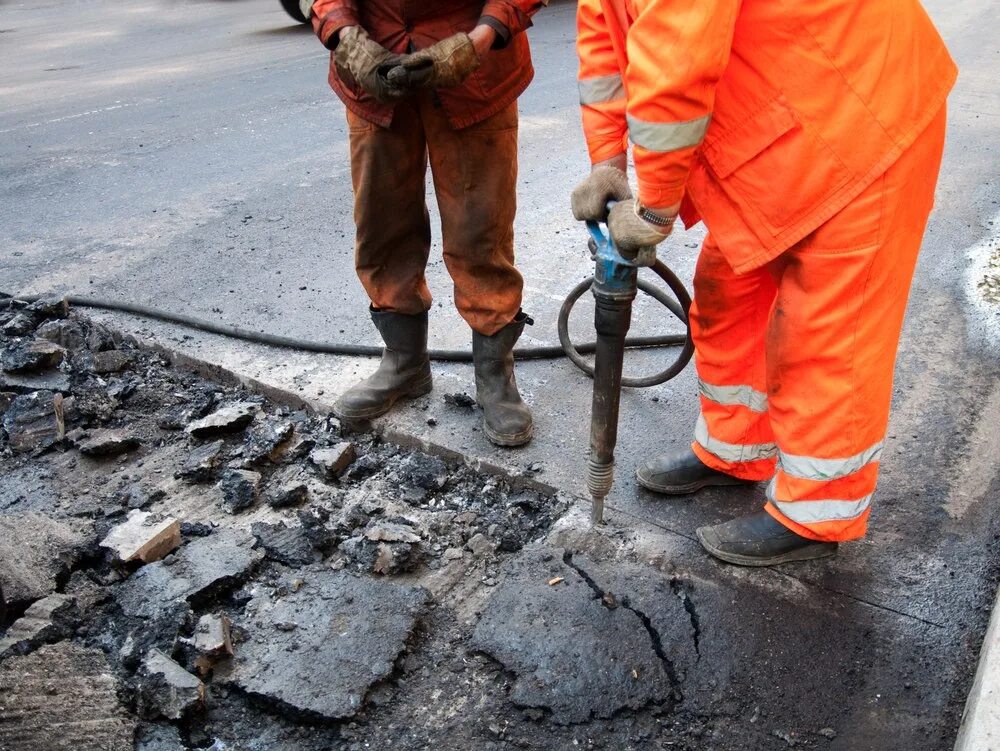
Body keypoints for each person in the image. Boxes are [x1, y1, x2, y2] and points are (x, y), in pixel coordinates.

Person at [571, 0, 956, 565]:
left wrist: (654, 205)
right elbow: (605, 48)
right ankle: (735, 449)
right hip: (783, 120)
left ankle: (816, 511)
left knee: (825, 333)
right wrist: (607, 161)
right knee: (728, 293)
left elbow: (675, 62)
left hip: (859, 112)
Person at [310, 1, 545, 447]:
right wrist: (345, 36)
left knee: (481, 228)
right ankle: (405, 363)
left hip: (474, 71)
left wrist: (479, 40)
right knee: (381, 221)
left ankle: (495, 372)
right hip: (372, 70)